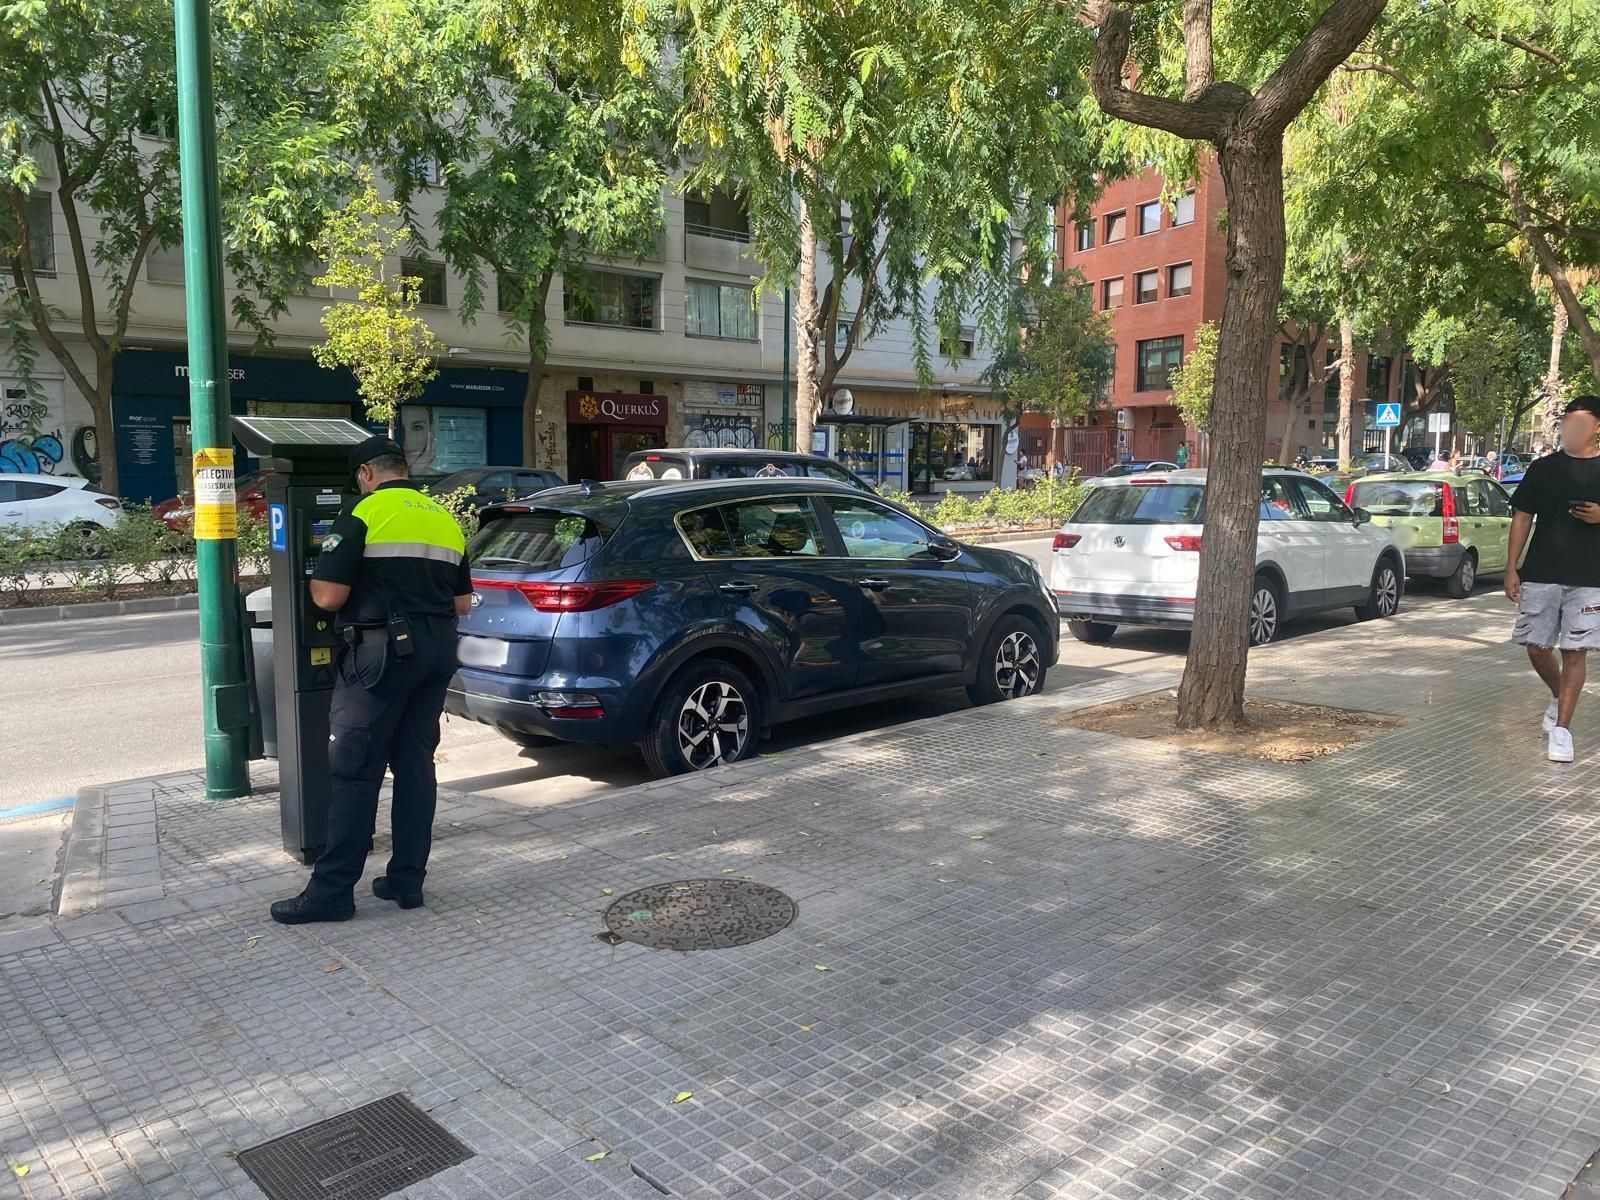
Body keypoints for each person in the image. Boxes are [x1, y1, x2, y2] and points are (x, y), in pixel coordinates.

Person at [271, 436, 472, 923]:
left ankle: (332, 892)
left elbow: (328, 597)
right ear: (404, 468)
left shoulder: (363, 513)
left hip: (381, 654)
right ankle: (406, 881)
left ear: (365, 474)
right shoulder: (443, 518)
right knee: (415, 766)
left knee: (355, 770)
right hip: (437, 651)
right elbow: (462, 603)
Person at [1505, 395, 1600, 763]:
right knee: (1536, 646)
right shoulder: (1543, 468)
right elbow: (1522, 517)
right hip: (1542, 571)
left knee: (1575, 650)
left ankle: (1562, 731)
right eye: (1567, 421)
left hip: (1590, 576)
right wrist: (1512, 567)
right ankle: (1559, 693)